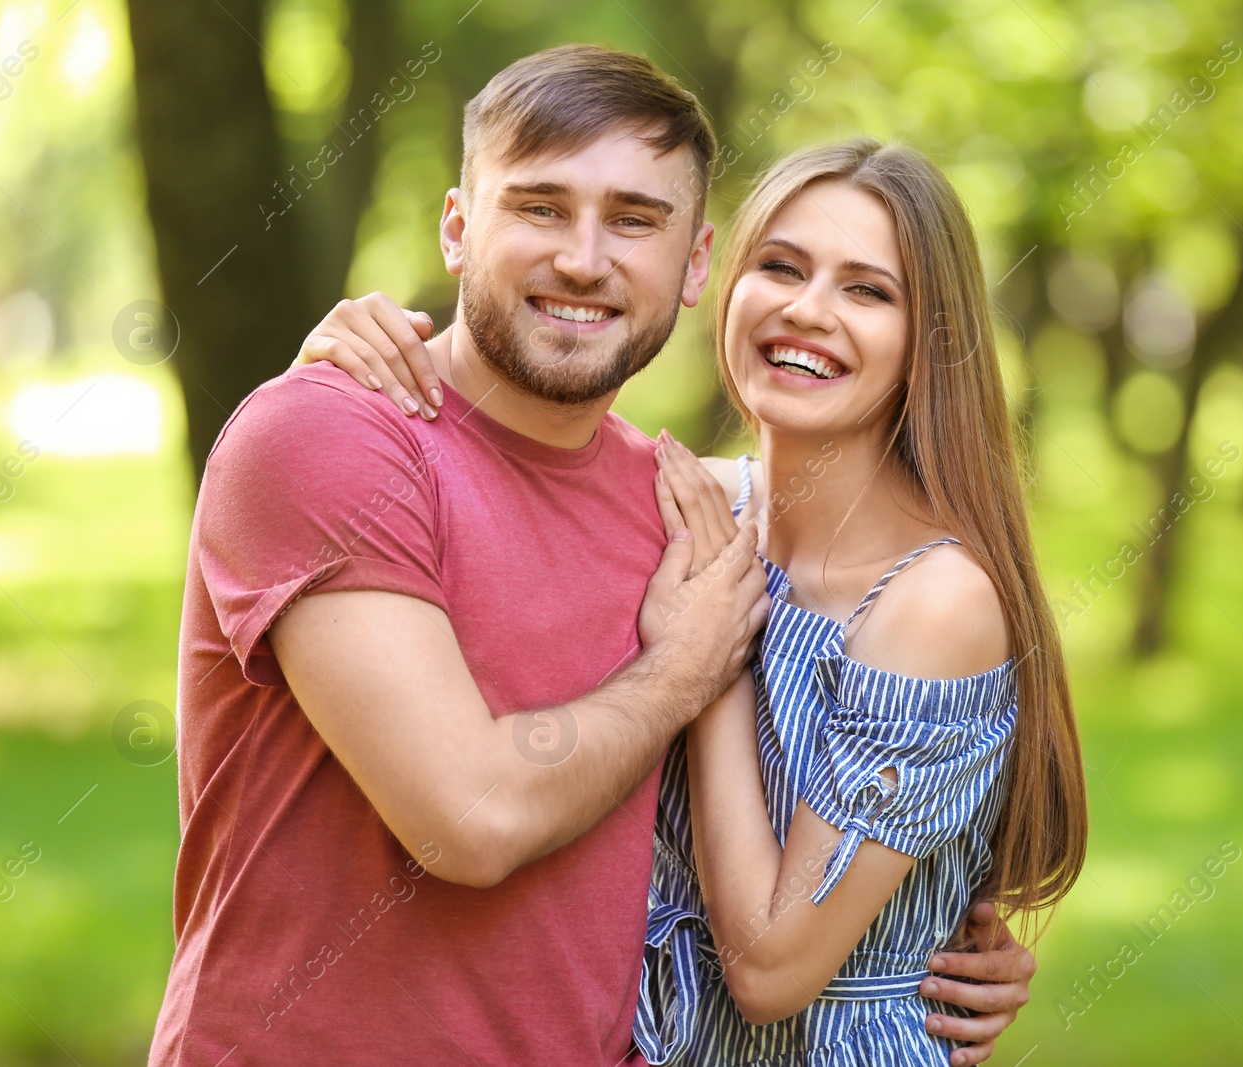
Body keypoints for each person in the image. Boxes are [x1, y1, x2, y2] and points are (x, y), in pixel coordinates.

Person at [152, 45, 1029, 1067]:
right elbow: (471, 821)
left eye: (633, 219)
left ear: (693, 264)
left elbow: (792, 858)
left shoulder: (677, 510)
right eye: (538, 206)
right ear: (456, 226)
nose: (583, 257)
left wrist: (918, 936)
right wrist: (688, 670)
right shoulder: (336, 435)